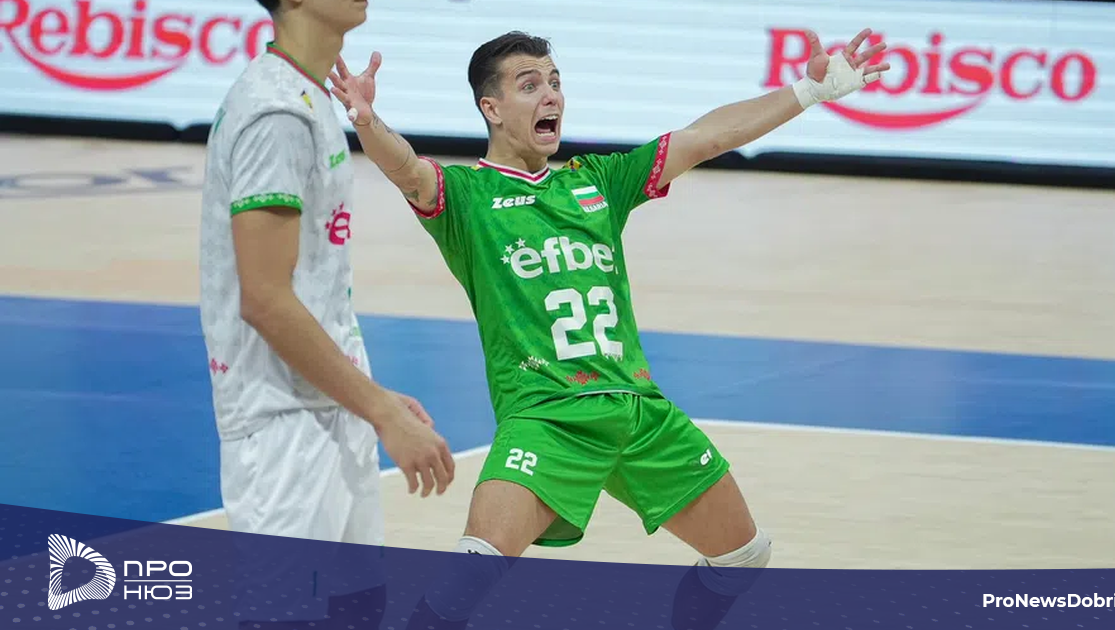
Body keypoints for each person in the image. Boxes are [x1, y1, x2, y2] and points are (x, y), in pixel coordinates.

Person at [329, 27, 889, 629]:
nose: (551, 95)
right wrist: (368, 122)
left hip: (639, 412)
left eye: (554, 82)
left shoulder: (595, 180)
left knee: (745, 558)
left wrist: (808, 91)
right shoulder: (467, 196)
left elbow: (706, 137)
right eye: (529, 85)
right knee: (472, 573)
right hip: (548, 417)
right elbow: (408, 170)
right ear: (491, 108)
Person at [198, 1, 457, 627]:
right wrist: (381, 412)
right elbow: (265, 299)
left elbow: (311, 286)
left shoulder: (307, 95)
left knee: (359, 606)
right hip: (281, 426)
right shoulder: (276, 112)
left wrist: (370, 397)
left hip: (329, 406)